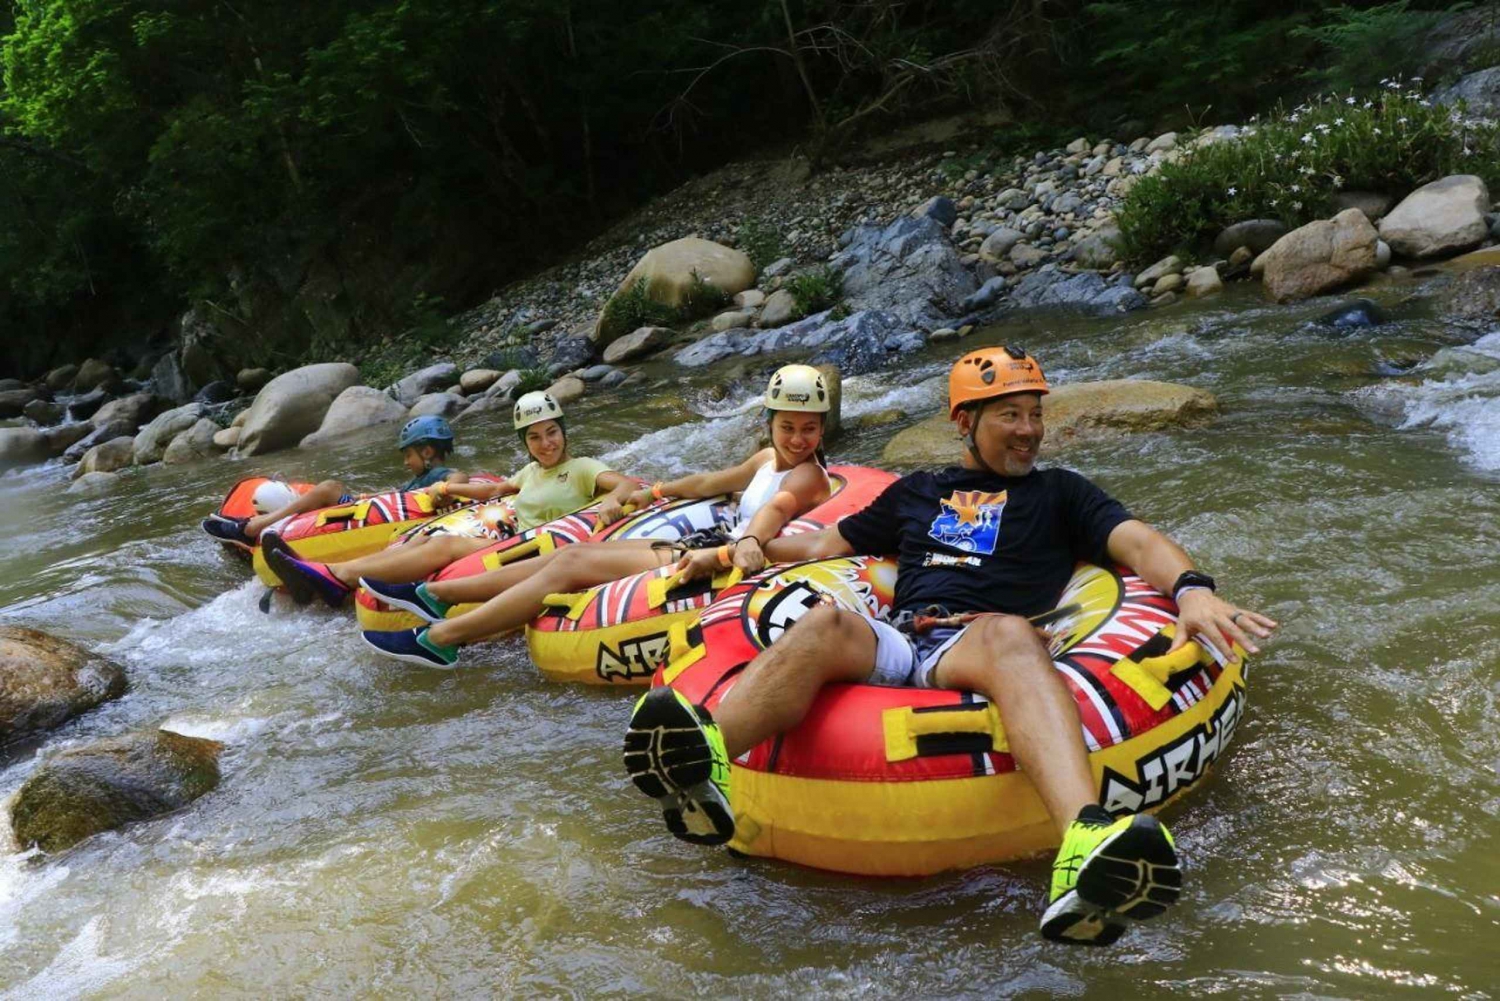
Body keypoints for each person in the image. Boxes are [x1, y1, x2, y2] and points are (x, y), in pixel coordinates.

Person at [622, 347, 1278, 947]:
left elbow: (1136, 542)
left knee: (1009, 634)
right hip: (902, 634)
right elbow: (826, 549)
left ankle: (1084, 842)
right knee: (823, 624)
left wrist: (1192, 589)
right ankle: (701, 759)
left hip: (974, 642)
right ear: (965, 421)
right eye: (1009, 416)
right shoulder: (918, 490)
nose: (1028, 429)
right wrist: (731, 550)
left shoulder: (1060, 494)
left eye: (1033, 414)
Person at [359, 364, 836, 668]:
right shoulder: (766, 460)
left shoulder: (806, 476)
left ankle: (443, 636)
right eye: (787, 427)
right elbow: (712, 482)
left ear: (822, 428)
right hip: (715, 541)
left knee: (571, 564)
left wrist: (748, 542)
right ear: (769, 422)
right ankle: (436, 594)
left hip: (727, 555)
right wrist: (659, 490)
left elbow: (778, 509)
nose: (798, 439)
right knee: (574, 552)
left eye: (809, 429)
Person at [263, 391, 639, 607]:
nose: (546, 443)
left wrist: (611, 500)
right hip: (517, 541)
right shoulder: (530, 472)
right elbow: (493, 492)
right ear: (525, 443)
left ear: (564, 432)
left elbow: (628, 484)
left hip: (547, 550)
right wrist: (448, 489)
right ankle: (330, 576)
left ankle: (337, 576)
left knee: (442, 547)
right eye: (535, 437)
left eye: (552, 432)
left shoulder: (583, 467)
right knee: (427, 538)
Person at [202, 415, 471, 547]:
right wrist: (373, 496)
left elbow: (459, 479)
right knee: (330, 494)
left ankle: (254, 527)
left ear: (426, 452)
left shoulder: (439, 476)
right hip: (376, 514)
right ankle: (268, 525)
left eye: (408, 455)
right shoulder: (420, 479)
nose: (405, 462)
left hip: (381, 521)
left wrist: (443, 490)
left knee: (329, 488)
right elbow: (401, 496)